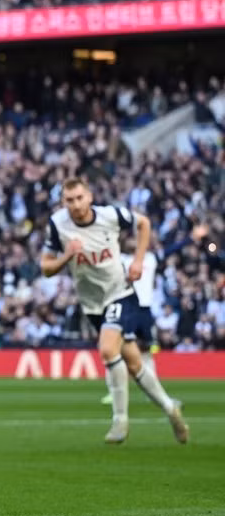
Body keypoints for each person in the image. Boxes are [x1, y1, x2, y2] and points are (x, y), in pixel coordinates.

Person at [40, 177, 188, 445]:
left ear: (90, 197)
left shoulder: (110, 216)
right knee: (132, 362)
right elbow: (46, 268)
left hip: (120, 293)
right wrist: (67, 256)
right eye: (69, 200)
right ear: (63, 203)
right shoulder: (57, 224)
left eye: (79, 198)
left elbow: (143, 223)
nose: (75, 205)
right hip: (91, 304)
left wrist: (139, 261)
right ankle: (169, 407)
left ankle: (120, 420)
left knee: (107, 349)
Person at [100, 222, 209, 405]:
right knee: (117, 351)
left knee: (148, 353)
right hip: (127, 309)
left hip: (145, 312)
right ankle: (114, 392)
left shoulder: (151, 258)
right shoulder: (123, 260)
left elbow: (173, 249)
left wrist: (192, 238)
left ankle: (155, 394)